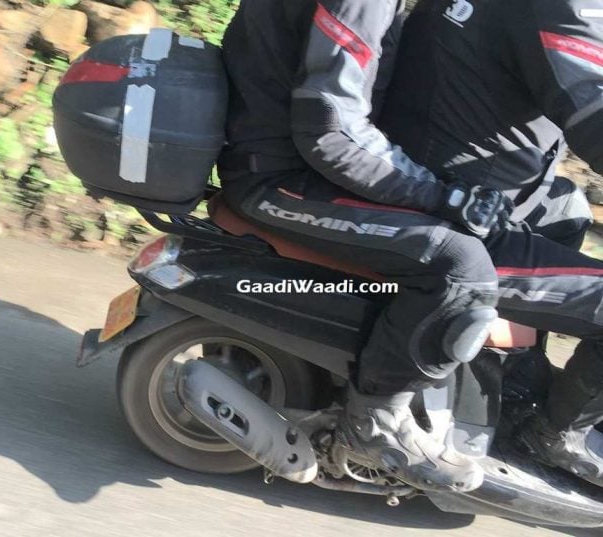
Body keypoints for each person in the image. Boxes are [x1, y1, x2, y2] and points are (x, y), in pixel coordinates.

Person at [217, 0, 520, 493]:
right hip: (282, 180)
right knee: (460, 265)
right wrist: (441, 195)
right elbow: (331, 129)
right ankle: (373, 426)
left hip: (298, 165)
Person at [378, 0, 603, 487]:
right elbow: (594, 111)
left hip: (447, 180)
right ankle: (556, 436)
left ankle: (516, 377)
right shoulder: (563, 7)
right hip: (462, 218)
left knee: (567, 205)